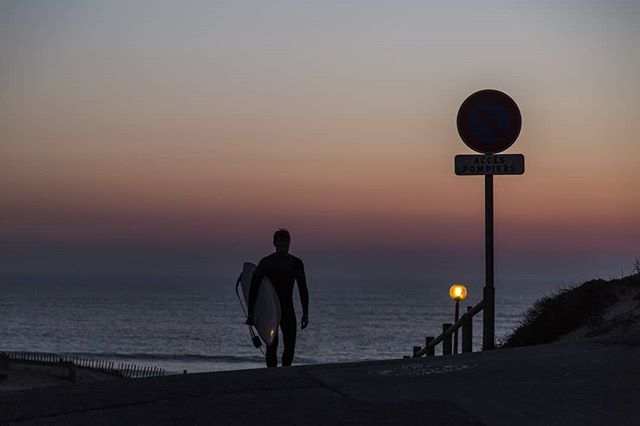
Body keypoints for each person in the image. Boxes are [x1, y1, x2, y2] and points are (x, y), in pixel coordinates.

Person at [247, 229, 309, 367]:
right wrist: (251, 313)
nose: (283, 249)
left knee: (290, 346)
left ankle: (285, 372)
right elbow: (254, 288)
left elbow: (303, 288)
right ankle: (272, 375)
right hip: (270, 311)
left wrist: (305, 313)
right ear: (274, 243)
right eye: (280, 246)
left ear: (289, 244)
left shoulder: (296, 263)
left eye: (285, 246)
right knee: (271, 346)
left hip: (288, 309)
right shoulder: (266, 263)